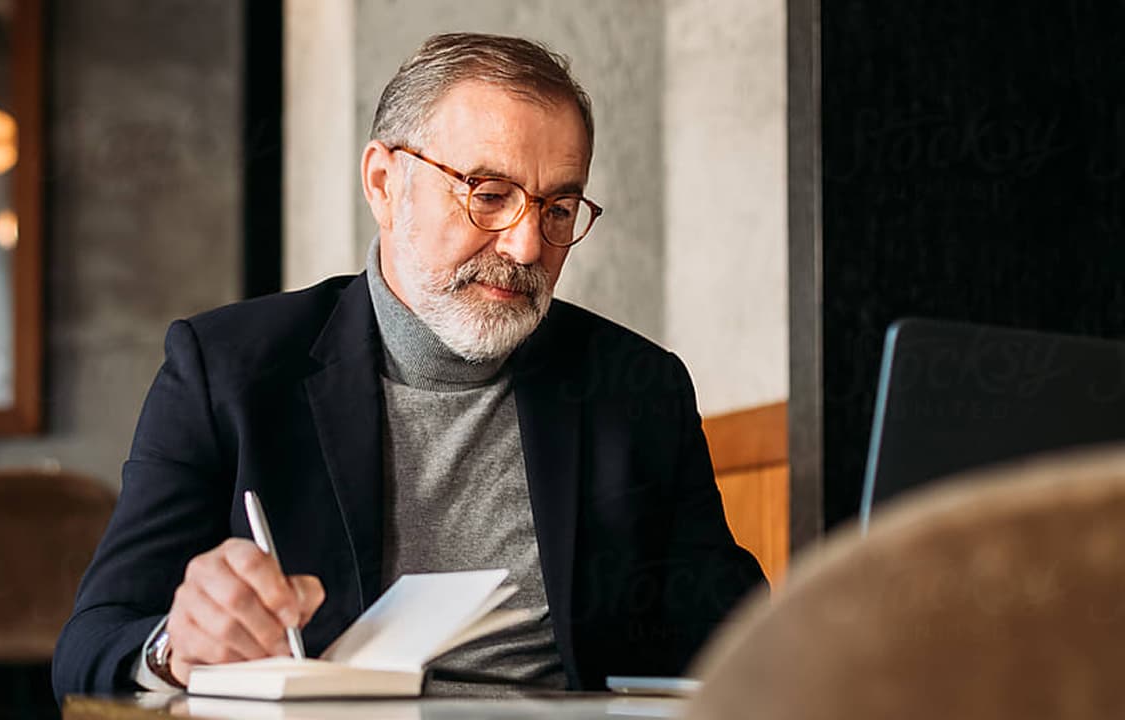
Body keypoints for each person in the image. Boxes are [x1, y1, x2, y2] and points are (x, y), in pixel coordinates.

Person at [52, 32, 766, 699]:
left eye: (559, 208)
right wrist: (175, 646)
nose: (525, 247)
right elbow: (87, 650)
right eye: (489, 195)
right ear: (384, 183)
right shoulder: (227, 370)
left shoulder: (637, 388)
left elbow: (739, 639)